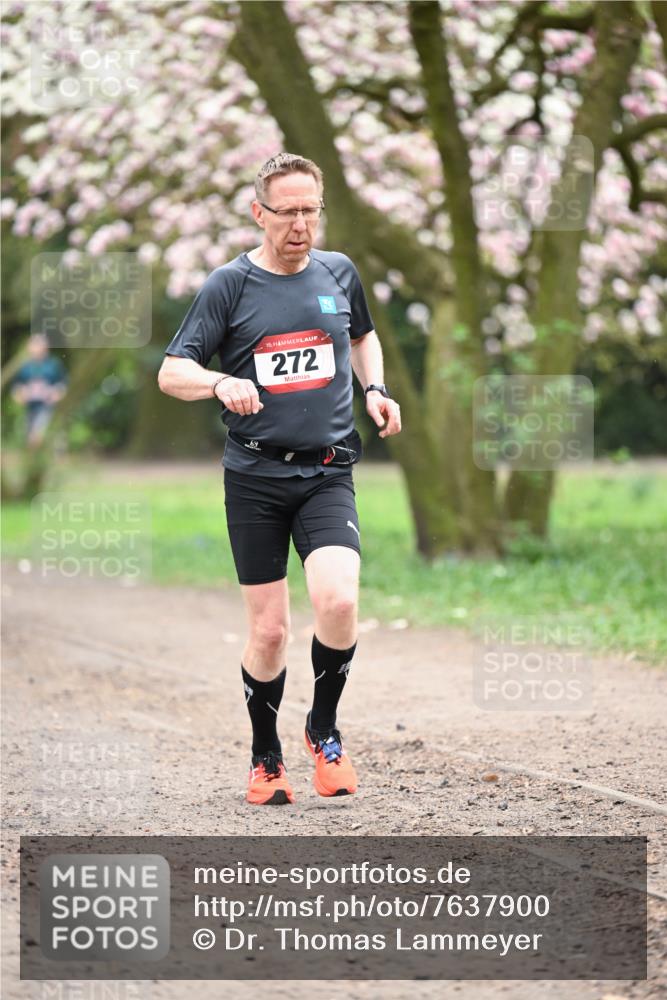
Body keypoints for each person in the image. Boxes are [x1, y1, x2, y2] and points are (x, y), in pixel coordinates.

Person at [158, 152, 401, 805]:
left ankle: (322, 730)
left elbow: (361, 336)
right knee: (268, 632)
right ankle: (264, 757)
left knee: (339, 602)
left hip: (327, 470)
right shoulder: (228, 286)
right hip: (255, 476)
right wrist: (220, 380)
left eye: (309, 210)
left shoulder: (337, 272)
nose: (300, 224)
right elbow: (171, 371)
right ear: (257, 212)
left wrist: (374, 388)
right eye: (286, 211)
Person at [11, 334, 67, 448]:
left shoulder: (54, 364)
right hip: (30, 406)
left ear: (44, 347)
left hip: (47, 406)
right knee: (29, 435)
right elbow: (16, 386)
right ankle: (34, 460)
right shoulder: (25, 365)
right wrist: (19, 395)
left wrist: (57, 393)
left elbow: (63, 383)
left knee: (38, 434)